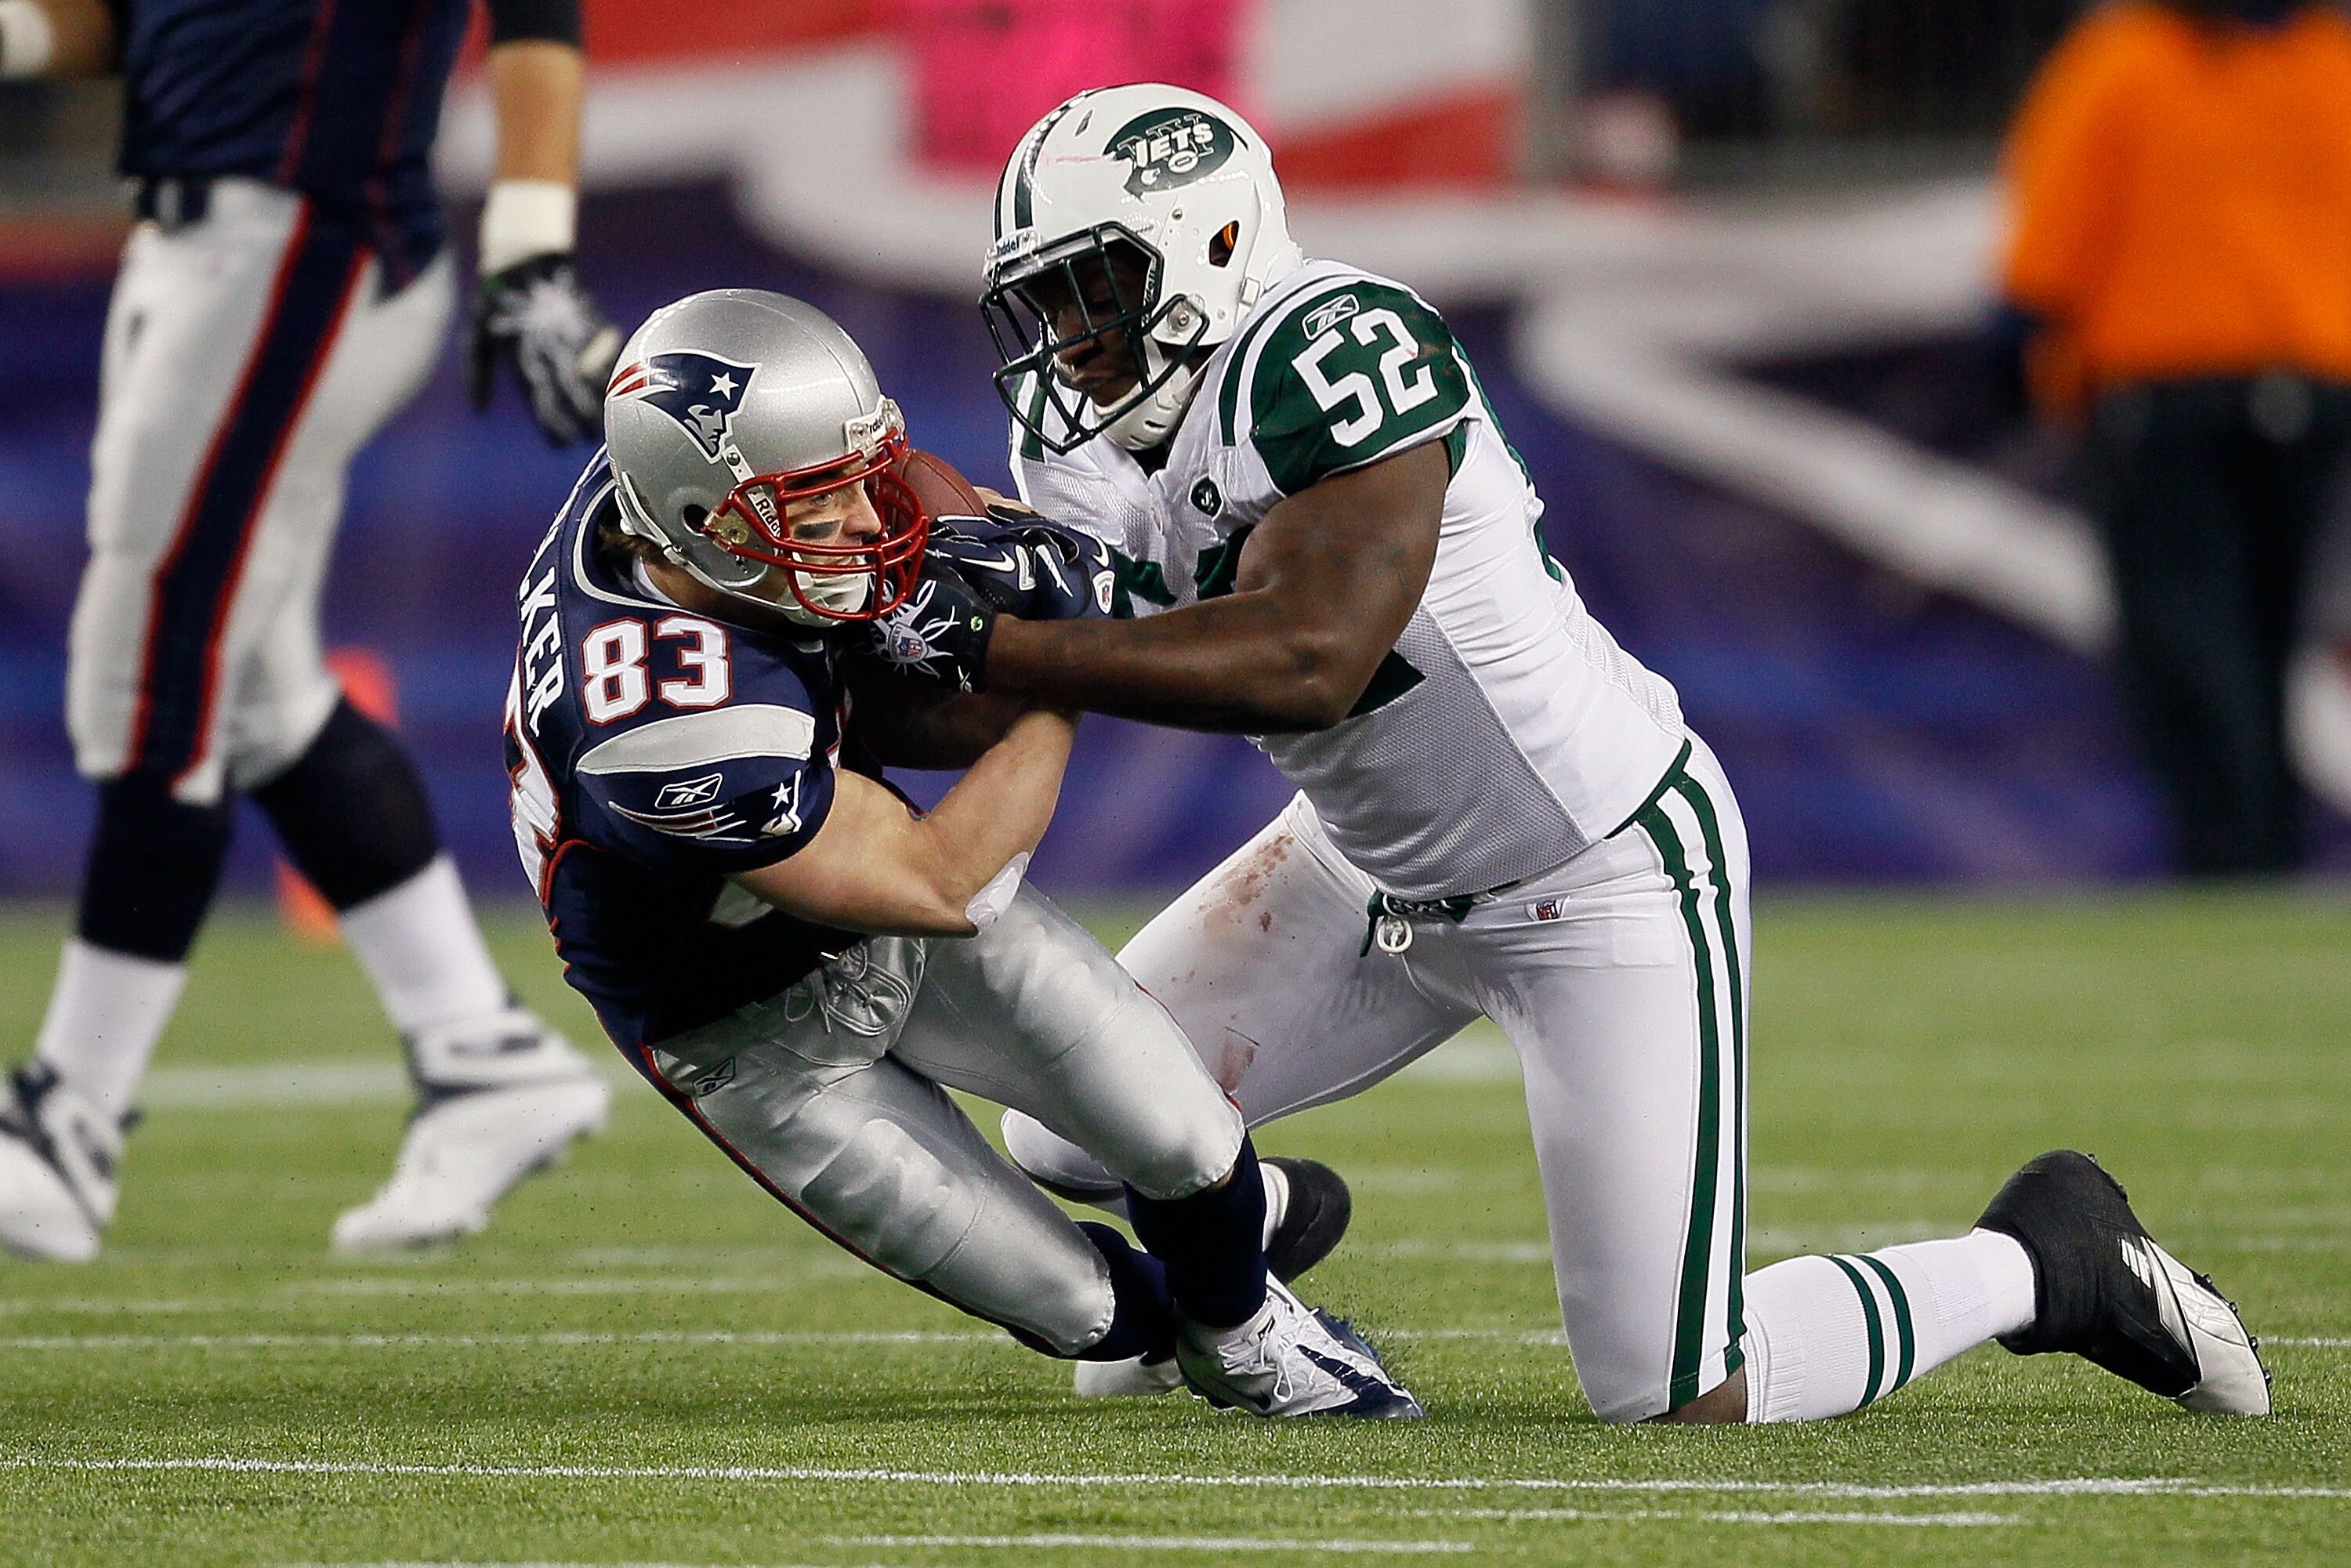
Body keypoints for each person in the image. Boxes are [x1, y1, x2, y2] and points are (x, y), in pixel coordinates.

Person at [860, 83, 2273, 1423]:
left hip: (1595, 870)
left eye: (1093, 287)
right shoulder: (1080, 424)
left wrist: (988, 642)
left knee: (1678, 1387)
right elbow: (1078, 648)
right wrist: (859, 680)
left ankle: (2052, 1256)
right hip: (1363, 867)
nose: (1067, 334)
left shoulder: (1331, 346)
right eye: (1041, 298)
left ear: (1213, 247)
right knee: (1072, 1130)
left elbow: (1311, 653)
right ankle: (1258, 1245)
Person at [508, 284, 1420, 1418]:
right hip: (745, 1032)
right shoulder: (666, 720)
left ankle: (1243, 1327)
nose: (854, 519)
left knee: (1188, 1135)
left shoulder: (660, 489)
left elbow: (889, 485)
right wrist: (1059, 661)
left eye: (851, 479)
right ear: (705, 520)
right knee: (1094, 1317)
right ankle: (1184, 1290)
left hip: (848, 887)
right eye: (814, 502)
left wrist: (986, 541)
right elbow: (937, 883)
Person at [0, 0, 626, 1260]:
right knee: (255, 690)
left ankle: (69, 1120)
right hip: (194, 233)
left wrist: (532, 239)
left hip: (303, 235)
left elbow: (536, 8)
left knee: (152, 660)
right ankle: (483, 1053)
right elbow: (138, 25)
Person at [2000, 0, 2351, 875]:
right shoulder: (2329, 66)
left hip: (2164, 399)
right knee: (2271, 643)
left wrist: (2012, 356)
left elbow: (2046, 256)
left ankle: (2231, 861)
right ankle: (2270, 854)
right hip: (2312, 389)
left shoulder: (2128, 62)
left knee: (2189, 645)